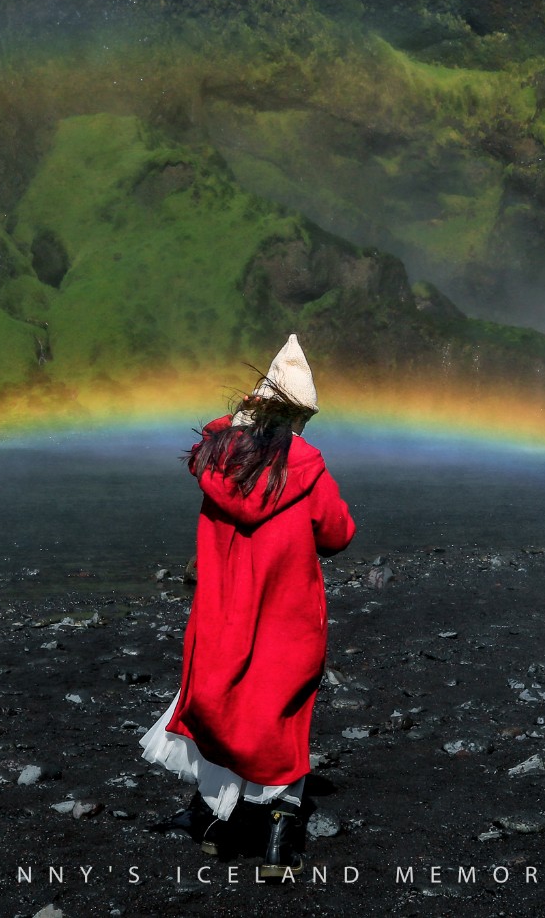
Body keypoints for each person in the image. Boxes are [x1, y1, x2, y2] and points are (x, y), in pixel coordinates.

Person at [139, 334, 356, 875]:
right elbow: (338, 532)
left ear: (255, 406)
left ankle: (216, 825)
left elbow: (222, 453)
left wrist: (234, 427)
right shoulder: (307, 469)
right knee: (281, 714)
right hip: (288, 616)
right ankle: (280, 842)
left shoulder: (217, 459)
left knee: (222, 704)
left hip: (221, 613)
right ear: (299, 415)